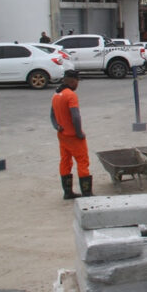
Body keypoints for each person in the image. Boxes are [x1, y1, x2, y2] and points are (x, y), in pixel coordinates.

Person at [50, 70, 92, 199]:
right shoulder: (71, 95)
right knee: (82, 162)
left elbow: (52, 115)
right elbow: (75, 116)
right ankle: (87, 193)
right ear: (72, 81)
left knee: (65, 161)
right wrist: (79, 133)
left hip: (62, 135)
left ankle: (68, 192)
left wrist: (57, 126)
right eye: (77, 81)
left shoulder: (56, 94)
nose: (77, 84)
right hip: (73, 136)